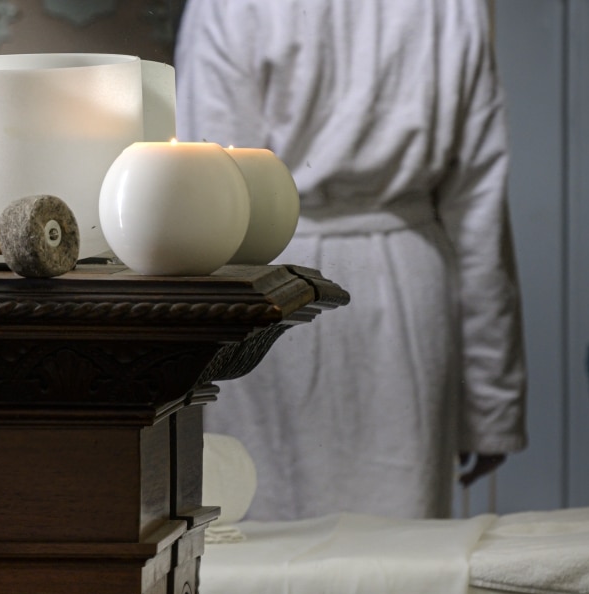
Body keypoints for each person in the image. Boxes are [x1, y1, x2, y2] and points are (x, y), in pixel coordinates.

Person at [175, 0, 527, 519]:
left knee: (262, 538)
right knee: (398, 544)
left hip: (268, 284)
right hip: (404, 287)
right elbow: (478, 211)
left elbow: (210, 180)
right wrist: (491, 410)